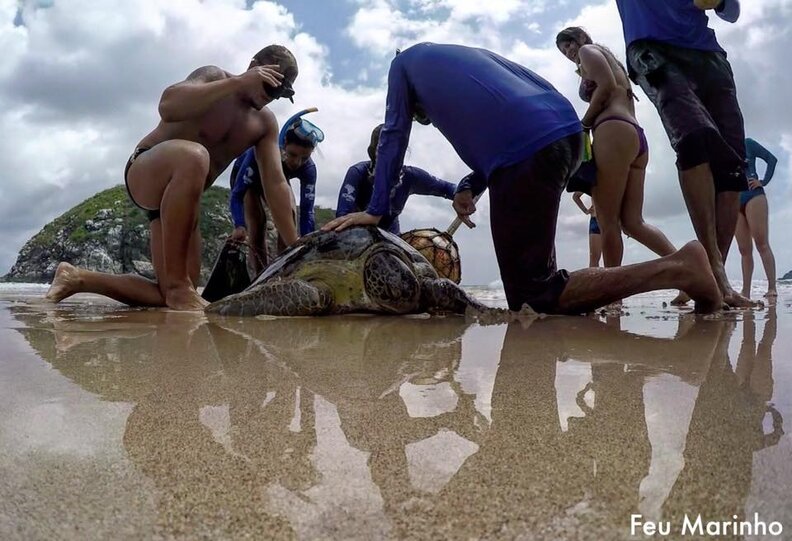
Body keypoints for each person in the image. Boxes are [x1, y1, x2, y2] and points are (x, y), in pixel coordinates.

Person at [323, 43, 723, 314]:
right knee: (540, 279)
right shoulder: (466, 58)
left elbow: (393, 133)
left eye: (419, 114)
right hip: (564, 136)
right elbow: (506, 123)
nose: (422, 118)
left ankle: (680, 268)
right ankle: (670, 269)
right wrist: (470, 186)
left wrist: (376, 210)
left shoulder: (402, 66)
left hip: (528, 152)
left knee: (532, 295)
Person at [45, 45, 300, 310]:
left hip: (181, 202)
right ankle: (179, 285)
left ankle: (77, 278)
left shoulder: (264, 124)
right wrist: (237, 83)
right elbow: (167, 105)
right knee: (195, 156)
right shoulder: (214, 77)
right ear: (254, 66)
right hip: (148, 169)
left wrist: (296, 248)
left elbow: (276, 184)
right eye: (270, 84)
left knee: (166, 296)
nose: (272, 95)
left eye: (281, 92)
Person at [614, 0, 754, 307]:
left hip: (709, 57)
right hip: (652, 49)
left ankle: (715, 278)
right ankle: (713, 271)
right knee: (693, 138)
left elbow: (731, 12)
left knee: (732, 165)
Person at [556, 28, 677, 270]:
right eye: (563, 50)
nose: (568, 52)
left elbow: (606, 86)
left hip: (612, 131)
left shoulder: (587, 51)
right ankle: (691, 268)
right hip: (635, 137)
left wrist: (583, 124)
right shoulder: (611, 60)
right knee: (633, 223)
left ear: (582, 38)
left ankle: (613, 289)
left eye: (569, 44)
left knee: (607, 221)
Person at [229, 109, 324, 274]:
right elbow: (237, 195)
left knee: (289, 217)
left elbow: (307, 211)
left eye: (305, 157)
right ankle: (261, 275)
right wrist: (239, 225)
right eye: (292, 154)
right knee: (257, 222)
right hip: (250, 179)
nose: (297, 162)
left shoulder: (308, 169)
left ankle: (283, 270)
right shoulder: (257, 154)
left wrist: (307, 243)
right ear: (283, 144)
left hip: (278, 177)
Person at [335, 124, 457, 234]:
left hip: (391, 239)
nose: (391, 155)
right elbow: (342, 216)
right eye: (384, 149)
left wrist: (463, 193)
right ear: (373, 151)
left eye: (397, 149)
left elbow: (448, 188)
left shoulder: (410, 177)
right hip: (358, 235)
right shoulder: (358, 172)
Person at [735, 138, 778, 299]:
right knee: (744, 249)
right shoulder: (722, 148)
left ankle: (772, 287)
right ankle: (745, 292)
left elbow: (771, 159)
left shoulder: (747, 143)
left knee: (762, 243)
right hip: (734, 200)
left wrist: (763, 181)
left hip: (754, 195)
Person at [572, 191, 602, 267]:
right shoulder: (592, 183)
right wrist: (585, 210)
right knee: (594, 260)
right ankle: (593, 275)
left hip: (611, 222)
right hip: (596, 221)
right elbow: (575, 196)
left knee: (612, 260)